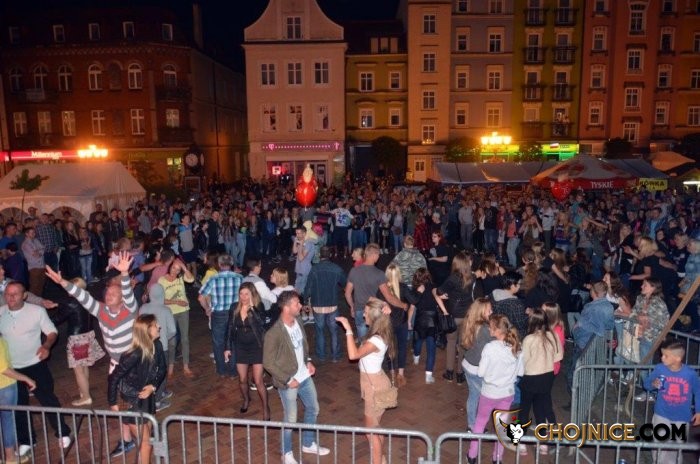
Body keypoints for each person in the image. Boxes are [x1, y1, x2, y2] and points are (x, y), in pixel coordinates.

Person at [45, 251, 139, 457]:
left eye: (113, 294)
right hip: (116, 365)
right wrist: (62, 282)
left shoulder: (130, 310)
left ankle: (143, 436)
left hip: (133, 366)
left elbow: (129, 294)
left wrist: (124, 275)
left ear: (122, 298)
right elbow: (83, 296)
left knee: (134, 404)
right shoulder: (101, 311)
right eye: (107, 294)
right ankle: (127, 439)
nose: (108, 296)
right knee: (118, 404)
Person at [0, 282, 72, 456]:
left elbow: (52, 332)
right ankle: (27, 440)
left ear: (24, 295)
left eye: (15, 293)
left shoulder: (36, 311)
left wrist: (46, 346)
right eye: (8, 294)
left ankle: (62, 431)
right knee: (19, 405)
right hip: (13, 369)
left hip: (35, 363)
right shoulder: (1, 312)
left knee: (48, 399)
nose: (11, 297)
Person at [263, 290, 329, 464]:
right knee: (290, 419)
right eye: (296, 303)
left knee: (313, 408)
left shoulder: (298, 321)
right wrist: (287, 379)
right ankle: (286, 453)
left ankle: (308, 443)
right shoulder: (274, 333)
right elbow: (268, 363)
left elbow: (303, 345)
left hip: (304, 376)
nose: (300, 306)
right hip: (289, 381)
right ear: (286, 308)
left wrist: (308, 360)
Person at [336, 298, 395, 464]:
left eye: (366, 313)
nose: (363, 315)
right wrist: (385, 305)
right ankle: (381, 459)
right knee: (374, 428)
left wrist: (348, 330)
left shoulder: (376, 340)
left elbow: (353, 355)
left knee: (370, 432)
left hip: (374, 386)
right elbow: (370, 299)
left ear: (374, 317)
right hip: (376, 381)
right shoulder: (381, 331)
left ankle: (378, 461)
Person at [107, 314, 166, 464]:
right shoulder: (134, 354)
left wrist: (152, 387)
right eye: (155, 325)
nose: (159, 326)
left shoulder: (157, 345)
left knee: (147, 439)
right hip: (131, 401)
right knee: (145, 444)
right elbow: (114, 377)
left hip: (147, 398)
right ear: (147, 330)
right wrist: (113, 402)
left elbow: (162, 370)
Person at [466, 314, 523, 464]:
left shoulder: (490, 347)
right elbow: (521, 372)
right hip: (507, 393)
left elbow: (481, 373)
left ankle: (472, 455)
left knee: (480, 422)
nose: (489, 328)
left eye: (491, 327)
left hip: (489, 393)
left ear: (497, 329)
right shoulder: (517, 346)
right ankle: (497, 458)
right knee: (502, 427)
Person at [640, 340, 700, 463]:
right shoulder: (660, 369)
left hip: (682, 417)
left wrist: (698, 411)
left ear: (678, 358)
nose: (662, 358)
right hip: (661, 414)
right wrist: (653, 384)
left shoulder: (690, 374)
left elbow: (698, 392)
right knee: (659, 445)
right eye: (662, 354)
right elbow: (646, 384)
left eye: (666, 355)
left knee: (676, 448)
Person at [517, 309, 562, 456]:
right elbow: (558, 356)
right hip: (547, 377)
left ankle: (521, 443)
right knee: (540, 410)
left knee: (524, 410)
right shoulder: (552, 335)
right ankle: (543, 444)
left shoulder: (529, 339)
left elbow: (524, 360)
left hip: (531, 378)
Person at [224, 283, 270, 420]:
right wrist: (227, 347)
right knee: (243, 379)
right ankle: (246, 399)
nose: (243, 297)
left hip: (256, 346)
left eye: (246, 294)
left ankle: (266, 407)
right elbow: (229, 328)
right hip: (241, 347)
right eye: (241, 294)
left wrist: (252, 308)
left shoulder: (259, 306)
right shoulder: (234, 307)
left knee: (258, 380)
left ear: (252, 294)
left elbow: (262, 322)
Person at [434, 251, 478, 384]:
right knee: (463, 344)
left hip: (453, 315)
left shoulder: (453, 278)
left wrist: (443, 295)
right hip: (467, 315)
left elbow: (439, 291)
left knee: (451, 343)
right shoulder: (472, 277)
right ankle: (460, 374)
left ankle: (449, 372)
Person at [346, 244, 407, 339]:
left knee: (363, 339)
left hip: (359, 309)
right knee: (375, 338)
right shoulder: (379, 274)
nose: (378, 257)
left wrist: (352, 306)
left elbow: (347, 293)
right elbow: (389, 297)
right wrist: (403, 305)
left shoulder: (354, 271)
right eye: (378, 255)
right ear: (374, 255)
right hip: (373, 311)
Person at [198, 254, 243, 378]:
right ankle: (233, 371)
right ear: (231, 264)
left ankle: (221, 370)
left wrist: (207, 309)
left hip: (218, 314)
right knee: (234, 341)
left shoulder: (213, 279)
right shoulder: (240, 278)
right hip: (235, 313)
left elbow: (201, 297)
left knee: (218, 343)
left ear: (219, 264)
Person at [303, 247, 347, 363]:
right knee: (334, 331)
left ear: (319, 255)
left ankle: (321, 356)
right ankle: (335, 356)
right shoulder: (337, 268)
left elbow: (308, 287)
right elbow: (345, 283)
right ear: (330, 255)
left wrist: (305, 301)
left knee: (320, 331)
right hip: (332, 304)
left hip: (318, 305)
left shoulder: (314, 269)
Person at [139, 283, 177, 411]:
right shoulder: (166, 310)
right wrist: (165, 337)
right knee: (161, 371)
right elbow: (173, 330)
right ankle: (157, 401)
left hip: (146, 345)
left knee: (151, 372)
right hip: (162, 346)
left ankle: (160, 391)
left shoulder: (143, 307)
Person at [0, 329, 36, 464]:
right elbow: (3, 369)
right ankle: (10, 458)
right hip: (5, 386)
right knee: (8, 421)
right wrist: (26, 378)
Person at [460, 298, 494, 431]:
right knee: (481, 399)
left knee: (473, 396)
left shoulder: (470, 322)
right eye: (489, 310)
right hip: (477, 368)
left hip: (468, 363)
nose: (492, 312)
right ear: (481, 311)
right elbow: (496, 341)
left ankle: (471, 425)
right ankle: (477, 426)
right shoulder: (485, 329)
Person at [158, 259, 195, 379]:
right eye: (174, 268)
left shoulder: (181, 278)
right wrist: (176, 302)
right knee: (172, 342)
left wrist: (184, 267)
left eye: (178, 270)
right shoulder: (162, 280)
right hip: (170, 313)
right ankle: (171, 366)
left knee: (185, 339)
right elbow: (160, 299)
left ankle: (186, 366)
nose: (175, 271)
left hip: (184, 311)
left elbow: (191, 279)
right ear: (169, 267)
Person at [411, 268, 439, 384]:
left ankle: (416, 357)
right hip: (432, 318)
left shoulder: (415, 289)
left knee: (418, 339)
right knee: (431, 347)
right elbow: (438, 298)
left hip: (420, 318)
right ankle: (428, 375)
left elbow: (412, 307)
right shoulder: (434, 286)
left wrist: (409, 321)